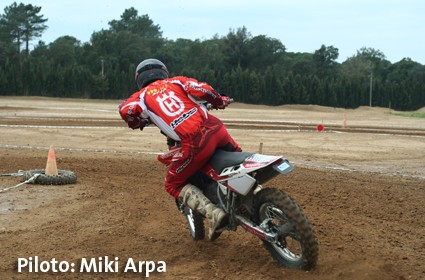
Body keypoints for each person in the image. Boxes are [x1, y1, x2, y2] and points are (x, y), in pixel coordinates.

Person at [118, 58, 241, 240]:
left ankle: (214, 214)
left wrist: (136, 121)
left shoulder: (141, 96)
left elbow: (125, 110)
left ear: (139, 79)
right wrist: (219, 100)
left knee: (172, 183)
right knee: (239, 162)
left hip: (195, 142)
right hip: (217, 130)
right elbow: (203, 89)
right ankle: (253, 193)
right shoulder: (177, 81)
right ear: (164, 71)